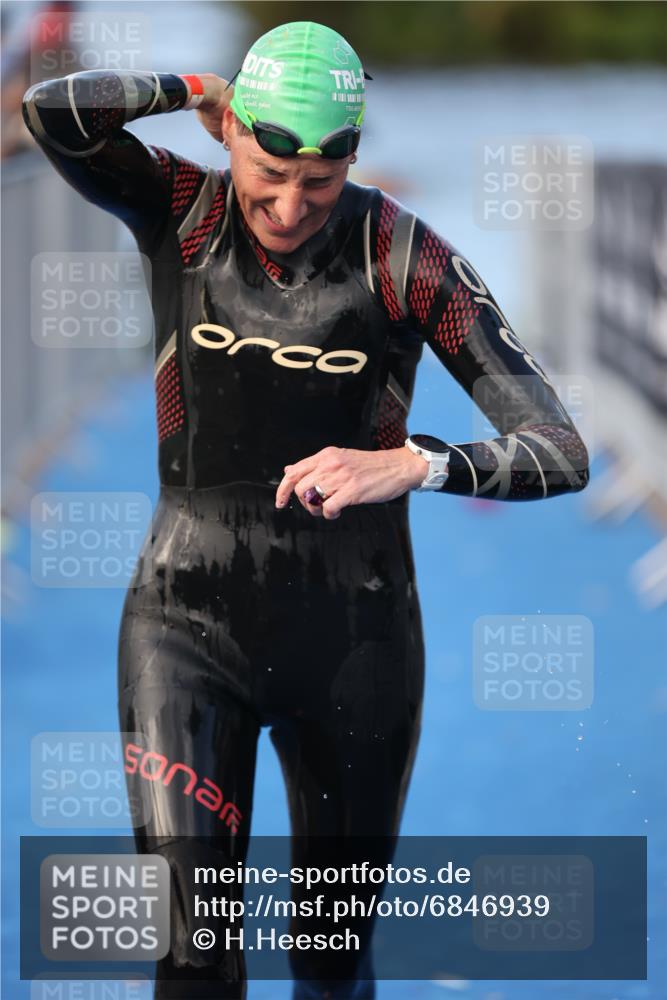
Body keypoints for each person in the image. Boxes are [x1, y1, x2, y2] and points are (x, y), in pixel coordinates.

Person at [22, 20, 589, 1000]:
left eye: (319, 183)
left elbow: (560, 449)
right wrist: (193, 84)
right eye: (269, 174)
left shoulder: (404, 256)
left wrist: (413, 463)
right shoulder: (181, 208)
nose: (289, 206)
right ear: (232, 132)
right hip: (183, 625)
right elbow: (53, 114)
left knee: (328, 962)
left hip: (354, 644)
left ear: (352, 160)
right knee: (193, 960)